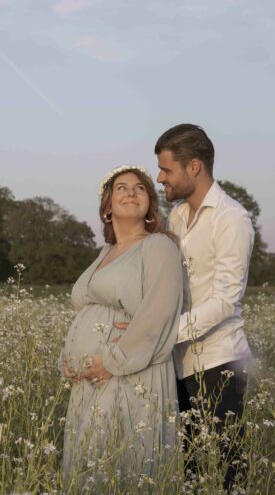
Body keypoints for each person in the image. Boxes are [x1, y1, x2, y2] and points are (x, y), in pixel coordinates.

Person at [58, 165, 187, 490]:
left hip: (131, 374)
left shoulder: (158, 246)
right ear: (107, 207)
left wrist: (113, 361)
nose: (131, 192)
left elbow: (158, 314)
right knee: (91, 468)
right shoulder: (104, 253)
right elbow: (86, 312)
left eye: (140, 188)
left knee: (127, 466)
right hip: (89, 381)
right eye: (121, 188)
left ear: (150, 205)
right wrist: (68, 358)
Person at [155, 123, 254, 490]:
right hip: (177, 363)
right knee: (191, 471)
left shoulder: (232, 218)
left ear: (193, 166)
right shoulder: (177, 217)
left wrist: (164, 334)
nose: (160, 177)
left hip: (219, 363)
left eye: (166, 169)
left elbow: (226, 300)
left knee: (226, 471)